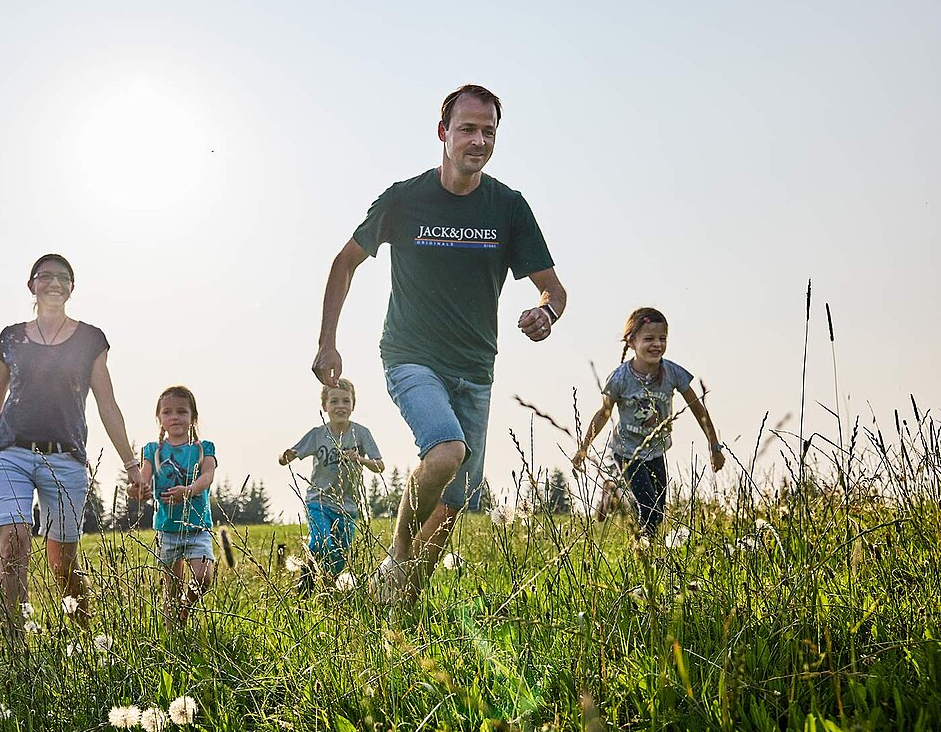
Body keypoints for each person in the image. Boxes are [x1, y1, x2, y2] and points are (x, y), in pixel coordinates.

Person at [311, 84, 567, 604]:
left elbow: (553, 289)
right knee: (447, 451)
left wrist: (546, 312)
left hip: (475, 367)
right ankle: (398, 553)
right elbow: (344, 263)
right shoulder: (404, 199)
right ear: (442, 133)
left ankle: (396, 602)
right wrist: (328, 343)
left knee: (452, 504)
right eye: (468, 129)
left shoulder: (509, 208)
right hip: (411, 356)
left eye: (488, 132)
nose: (478, 140)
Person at [0, 254, 145, 633]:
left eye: (64, 278)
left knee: (62, 563)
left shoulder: (91, 340)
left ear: (72, 288)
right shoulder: (11, 338)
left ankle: (84, 639)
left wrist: (131, 464)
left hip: (67, 459)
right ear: (32, 285)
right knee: (14, 546)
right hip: (10, 452)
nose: (55, 283)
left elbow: (107, 403)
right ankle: (15, 648)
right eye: (46, 277)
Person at [572, 307, 725, 536]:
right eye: (649, 339)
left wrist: (715, 447)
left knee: (659, 511)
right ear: (631, 341)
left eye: (662, 339)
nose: (657, 344)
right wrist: (583, 448)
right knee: (649, 510)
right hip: (627, 452)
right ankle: (643, 553)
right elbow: (604, 413)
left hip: (656, 450)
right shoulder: (620, 378)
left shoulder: (673, 373)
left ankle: (613, 491)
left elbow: (698, 409)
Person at [279, 378, 384, 592]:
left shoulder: (361, 433)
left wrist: (360, 459)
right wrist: (284, 456)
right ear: (324, 406)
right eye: (334, 401)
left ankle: (328, 592)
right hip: (318, 500)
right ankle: (305, 584)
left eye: (346, 401)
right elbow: (286, 457)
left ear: (353, 405)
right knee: (320, 543)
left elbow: (380, 465)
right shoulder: (318, 434)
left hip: (348, 506)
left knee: (339, 556)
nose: (340, 406)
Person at [140, 385, 217, 626]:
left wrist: (188, 491)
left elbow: (208, 476)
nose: (175, 417)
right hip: (168, 528)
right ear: (159, 419)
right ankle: (173, 634)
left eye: (182, 411)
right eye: (168, 412)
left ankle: (185, 607)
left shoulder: (204, 449)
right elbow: (143, 479)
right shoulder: (153, 451)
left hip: (197, 527)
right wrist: (137, 489)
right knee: (170, 587)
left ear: (193, 417)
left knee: (203, 577)